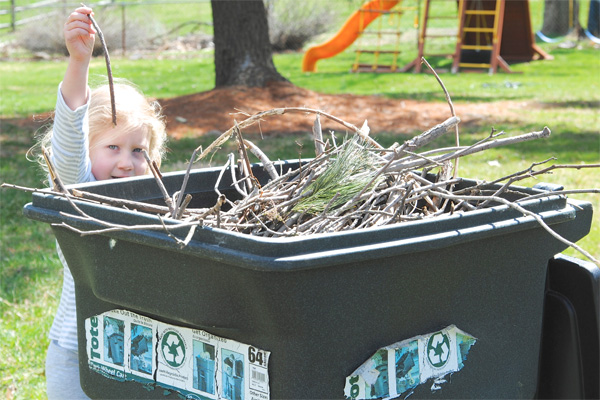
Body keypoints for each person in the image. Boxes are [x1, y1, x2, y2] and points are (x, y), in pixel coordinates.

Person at [36, 6, 167, 398]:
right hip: (76, 353)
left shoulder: (157, 203)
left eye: (138, 150)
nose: (126, 162)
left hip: (141, 356)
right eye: (112, 147)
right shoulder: (77, 189)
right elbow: (69, 141)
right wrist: (79, 62)